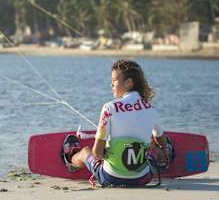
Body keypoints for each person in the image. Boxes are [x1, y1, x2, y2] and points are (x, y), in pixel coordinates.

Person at [62, 59, 170, 187]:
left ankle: (71, 160)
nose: (111, 85)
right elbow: (161, 140)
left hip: (111, 178)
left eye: (114, 81)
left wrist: (110, 151)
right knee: (154, 143)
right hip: (142, 178)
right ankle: (165, 161)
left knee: (85, 152)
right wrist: (160, 149)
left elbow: (97, 153)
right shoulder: (150, 109)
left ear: (128, 83)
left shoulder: (109, 108)